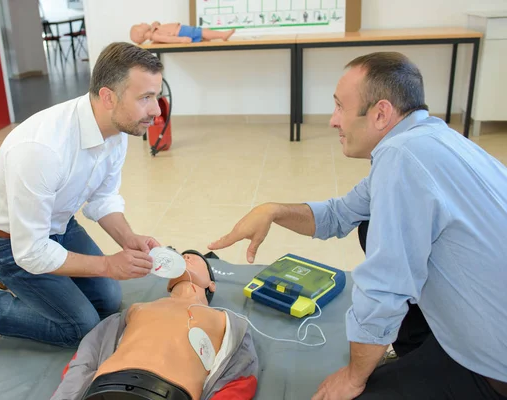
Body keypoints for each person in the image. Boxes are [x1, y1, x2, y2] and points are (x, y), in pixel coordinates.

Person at [208, 52, 507, 399]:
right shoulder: (431, 139)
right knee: (368, 221)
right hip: (484, 319)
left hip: (492, 369)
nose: (333, 120)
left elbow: (383, 288)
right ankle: (418, 348)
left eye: (339, 107)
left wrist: (353, 377)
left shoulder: (402, 159)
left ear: (380, 113)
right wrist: (273, 211)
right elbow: (339, 214)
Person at [0, 42, 165, 348]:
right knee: (81, 326)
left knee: (108, 300)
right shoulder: (41, 149)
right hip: (3, 241)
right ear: (108, 96)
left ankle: (21, 283)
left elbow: (104, 198)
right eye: (145, 98)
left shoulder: (117, 129)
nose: (156, 110)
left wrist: (128, 239)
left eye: (156, 96)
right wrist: (108, 265)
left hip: (56, 224)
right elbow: (32, 251)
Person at [51, 249, 259, 400]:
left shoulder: (228, 321)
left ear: (211, 285)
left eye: (194, 259)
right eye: (182, 256)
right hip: (104, 391)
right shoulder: (136, 309)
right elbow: (88, 353)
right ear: (168, 283)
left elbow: (240, 379)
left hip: (167, 393)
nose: (185, 258)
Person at [130, 21, 235, 45]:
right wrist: (181, 40)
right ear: (141, 34)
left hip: (181, 30)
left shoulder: (154, 30)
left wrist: (155, 25)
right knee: (201, 32)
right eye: (140, 25)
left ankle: (213, 36)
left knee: (201, 33)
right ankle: (222, 35)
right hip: (181, 32)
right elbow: (169, 39)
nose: (142, 23)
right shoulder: (155, 35)